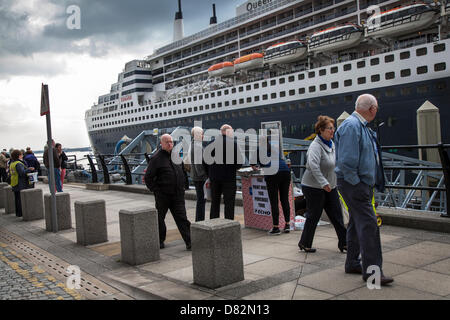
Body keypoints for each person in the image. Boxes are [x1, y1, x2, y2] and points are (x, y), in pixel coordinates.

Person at [334, 93, 393, 286]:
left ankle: (352, 263)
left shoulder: (359, 126)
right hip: (354, 185)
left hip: (358, 184)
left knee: (355, 223)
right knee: (369, 226)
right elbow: (346, 162)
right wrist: (357, 184)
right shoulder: (353, 126)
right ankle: (373, 272)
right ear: (372, 109)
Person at [298, 116, 347, 253]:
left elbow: (336, 163)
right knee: (314, 215)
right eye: (329, 128)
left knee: (337, 214)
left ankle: (344, 243)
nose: (333, 131)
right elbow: (313, 165)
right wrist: (323, 182)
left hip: (330, 185)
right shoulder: (315, 146)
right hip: (313, 186)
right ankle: (304, 243)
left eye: (333, 128)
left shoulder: (332, 144)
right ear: (321, 130)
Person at [144, 134, 192, 250]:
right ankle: (160, 240)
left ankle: (190, 241)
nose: (170, 144)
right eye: (167, 142)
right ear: (162, 144)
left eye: (171, 142)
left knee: (182, 218)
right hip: (163, 195)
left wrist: (184, 187)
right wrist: (156, 190)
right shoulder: (156, 158)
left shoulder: (176, 156)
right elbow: (148, 178)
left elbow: (182, 172)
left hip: (177, 195)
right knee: (160, 218)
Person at [254, 134, 292, 235]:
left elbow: (253, 166)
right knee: (284, 199)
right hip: (285, 172)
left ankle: (276, 227)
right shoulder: (274, 148)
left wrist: (258, 167)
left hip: (272, 174)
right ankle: (287, 225)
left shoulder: (259, 149)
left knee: (274, 201)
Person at [206, 124, 243, 220]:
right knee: (229, 203)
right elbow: (239, 163)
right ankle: (229, 224)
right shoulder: (233, 144)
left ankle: (213, 224)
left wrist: (210, 173)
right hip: (229, 178)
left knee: (215, 202)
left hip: (214, 178)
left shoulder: (211, 143)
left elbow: (204, 161)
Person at [184, 127, 208, 222]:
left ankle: (199, 220)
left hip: (195, 176)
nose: (203, 136)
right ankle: (200, 220)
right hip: (200, 178)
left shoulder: (193, 144)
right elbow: (199, 165)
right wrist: (205, 176)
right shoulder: (197, 146)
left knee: (200, 200)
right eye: (202, 133)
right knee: (201, 200)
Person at [9, 149, 35, 217]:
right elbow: (22, 173)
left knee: (17, 199)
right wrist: (29, 169)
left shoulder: (12, 163)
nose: (22, 156)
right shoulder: (19, 163)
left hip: (14, 182)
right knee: (20, 199)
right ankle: (21, 213)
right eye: (21, 154)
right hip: (20, 183)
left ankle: (18, 213)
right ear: (19, 156)